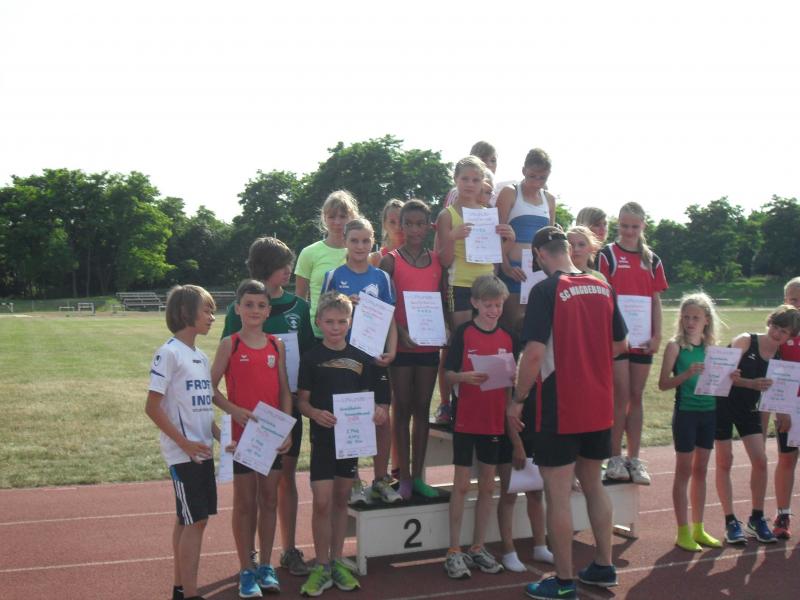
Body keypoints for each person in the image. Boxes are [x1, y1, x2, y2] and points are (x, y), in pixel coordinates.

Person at [509, 226, 627, 600]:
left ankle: (562, 582)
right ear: (566, 249)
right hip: (598, 401)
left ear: (540, 255)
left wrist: (517, 398)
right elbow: (621, 343)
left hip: (559, 402)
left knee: (558, 494)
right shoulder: (602, 286)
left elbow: (533, 354)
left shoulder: (546, 290)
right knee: (593, 484)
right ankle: (604, 565)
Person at [220, 237, 315, 577]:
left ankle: (287, 550)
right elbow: (227, 358)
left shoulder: (298, 307)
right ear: (264, 268)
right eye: (281, 265)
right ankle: (249, 559)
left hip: (286, 410)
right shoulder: (241, 308)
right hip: (247, 414)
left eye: (289, 263)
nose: (289, 270)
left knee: (284, 479)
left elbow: (309, 356)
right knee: (247, 493)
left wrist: (300, 403)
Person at [296, 293, 389, 596]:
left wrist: (377, 411)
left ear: (350, 323)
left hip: (350, 442)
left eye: (341, 321)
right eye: (329, 322)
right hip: (323, 440)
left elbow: (370, 398)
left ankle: (336, 561)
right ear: (319, 322)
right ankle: (321, 565)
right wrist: (314, 413)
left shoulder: (361, 357)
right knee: (322, 502)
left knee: (340, 501)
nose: (335, 327)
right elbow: (302, 401)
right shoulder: (311, 357)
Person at [211, 280, 294, 597]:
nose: (255, 310)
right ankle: (246, 569)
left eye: (261, 305)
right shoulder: (230, 344)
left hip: (270, 436)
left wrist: (286, 428)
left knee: (269, 499)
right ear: (238, 308)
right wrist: (234, 410)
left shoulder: (276, 345)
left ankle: (266, 566)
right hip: (241, 437)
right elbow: (210, 388)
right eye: (248, 305)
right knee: (245, 503)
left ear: (268, 310)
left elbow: (284, 389)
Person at [144, 285, 219, 600]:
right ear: (186, 312)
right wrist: (184, 444)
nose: (212, 317)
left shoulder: (200, 356)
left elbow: (201, 406)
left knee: (188, 519)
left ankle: (179, 587)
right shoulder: (169, 352)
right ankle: (190, 593)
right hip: (183, 454)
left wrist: (221, 435)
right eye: (207, 310)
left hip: (202, 451)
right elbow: (152, 407)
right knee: (196, 520)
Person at [442, 274, 516, 579]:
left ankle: (478, 546)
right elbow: (447, 374)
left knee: (487, 485)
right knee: (461, 485)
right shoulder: (464, 333)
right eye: (488, 305)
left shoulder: (508, 337)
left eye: (498, 305)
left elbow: (511, 381)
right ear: (474, 303)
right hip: (466, 419)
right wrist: (463, 378)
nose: (493, 311)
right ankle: (453, 549)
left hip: (494, 421)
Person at [321, 218, 399, 505]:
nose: (360, 246)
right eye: (354, 240)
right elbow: (323, 316)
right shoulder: (333, 276)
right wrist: (346, 305)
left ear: (372, 242)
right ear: (345, 241)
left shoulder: (381, 278)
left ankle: (380, 479)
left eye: (366, 241)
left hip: (375, 358)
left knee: (382, 418)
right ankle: (352, 480)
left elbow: (390, 319)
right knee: (350, 417)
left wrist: (392, 351)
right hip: (345, 359)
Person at [434, 156, 515, 424]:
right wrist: (451, 237)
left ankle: (485, 406)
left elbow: (495, 258)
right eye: (465, 179)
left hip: (487, 286)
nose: (470, 184)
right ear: (455, 180)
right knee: (462, 346)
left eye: (476, 179)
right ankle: (453, 406)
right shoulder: (447, 215)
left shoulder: (488, 215)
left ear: (483, 183)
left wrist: (509, 240)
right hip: (459, 285)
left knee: (486, 344)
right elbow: (443, 260)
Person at [715, 304, 800, 544]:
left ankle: (757, 518)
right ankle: (730, 521)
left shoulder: (780, 357)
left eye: (784, 331)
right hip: (723, 406)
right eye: (775, 326)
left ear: (791, 336)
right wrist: (749, 383)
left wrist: (783, 412)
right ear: (769, 322)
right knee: (725, 460)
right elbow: (720, 375)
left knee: (760, 461)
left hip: (749, 409)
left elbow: (777, 390)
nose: (777, 333)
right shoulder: (746, 340)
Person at [598, 202, 668, 485]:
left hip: (642, 338)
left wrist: (657, 335)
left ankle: (635, 459)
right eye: (624, 226)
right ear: (618, 224)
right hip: (616, 339)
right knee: (620, 396)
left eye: (634, 227)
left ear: (643, 226)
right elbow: (602, 296)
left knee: (636, 396)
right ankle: (614, 458)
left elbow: (655, 299)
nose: (629, 231)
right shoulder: (607, 255)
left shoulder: (652, 260)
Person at [380, 199, 445, 500]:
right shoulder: (390, 261)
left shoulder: (438, 261)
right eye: (409, 224)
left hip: (429, 346)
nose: (415, 229)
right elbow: (382, 305)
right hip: (402, 347)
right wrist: (400, 331)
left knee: (422, 409)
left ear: (429, 227)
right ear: (401, 226)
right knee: (402, 407)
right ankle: (403, 477)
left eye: (420, 224)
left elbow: (442, 301)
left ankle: (418, 476)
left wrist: (445, 328)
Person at [657, 293, 724, 552]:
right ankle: (683, 531)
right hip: (686, 413)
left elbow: (719, 383)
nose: (690, 322)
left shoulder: (712, 349)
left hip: (709, 413)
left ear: (707, 319)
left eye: (695, 317)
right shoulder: (675, 346)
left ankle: (699, 528)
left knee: (701, 470)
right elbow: (663, 384)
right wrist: (687, 374)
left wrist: (730, 376)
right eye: (686, 317)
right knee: (683, 471)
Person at [496, 148, 556, 334]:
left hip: (539, 273)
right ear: (523, 171)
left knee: (536, 331)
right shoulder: (510, 193)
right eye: (532, 176)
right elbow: (496, 234)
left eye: (542, 178)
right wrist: (506, 267)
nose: (536, 182)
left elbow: (550, 241)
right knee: (513, 328)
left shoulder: (549, 199)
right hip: (514, 271)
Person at [294, 190, 361, 340]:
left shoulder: (361, 254)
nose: (337, 222)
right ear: (324, 218)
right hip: (317, 334)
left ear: (352, 217)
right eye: (331, 216)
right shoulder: (309, 253)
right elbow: (300, 299)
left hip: (355, 334)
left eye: (343, 216)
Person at [773, 277, 800, 538]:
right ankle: (783, 514)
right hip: (789, 406)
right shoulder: (780, 336)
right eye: (793, 299)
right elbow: (774, 374)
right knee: (787, 459)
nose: (797, 304)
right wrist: (780, 409)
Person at [443, 141, 499, 208]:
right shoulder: (457, 192)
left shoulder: (500, 193)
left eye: (493, 160)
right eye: (483, 160)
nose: (489, 164)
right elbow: (449, 213)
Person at [369, 198, 405, 266]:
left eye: (401, 221)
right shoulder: (374, 259)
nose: (397, 227)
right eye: (392, 222)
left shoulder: (420, 258)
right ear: (385, 224)